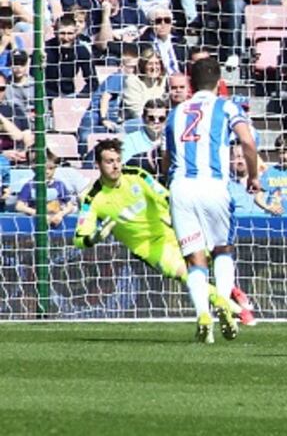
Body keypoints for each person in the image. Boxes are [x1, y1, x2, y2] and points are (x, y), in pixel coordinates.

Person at [75, 138, 241, 331]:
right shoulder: (92, 198)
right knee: (187, 274)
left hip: (172, 229)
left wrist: (177, 216)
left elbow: (165, 196)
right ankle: (229, 308)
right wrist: (94, 238)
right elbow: (79, 238)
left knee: (212, 259)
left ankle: (229, 297)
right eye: (109, 161)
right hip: (149, 247)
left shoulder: (137, 175)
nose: (115, 166)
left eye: (118, 160)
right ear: (98, 164)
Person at [163, 57, 259, 343]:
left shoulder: (177, 111)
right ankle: (223, 303)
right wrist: (254, 176)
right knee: (223, 249)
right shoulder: (227, 106)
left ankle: (202, 313)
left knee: (194, 258)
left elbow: (167, 157)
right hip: (213, 185)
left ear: (190, 84)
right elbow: (248, 142)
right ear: (219, 83)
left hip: (180, 187)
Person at [15, 152, 76, 227]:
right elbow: (19, 206)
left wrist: (60, 214)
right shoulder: (30, 185)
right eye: (44, 168)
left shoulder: (59, 184)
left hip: (56, 220)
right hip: (36, 223)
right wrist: (38, 213)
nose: (47, 172)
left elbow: (70, 206)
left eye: (51, 168)